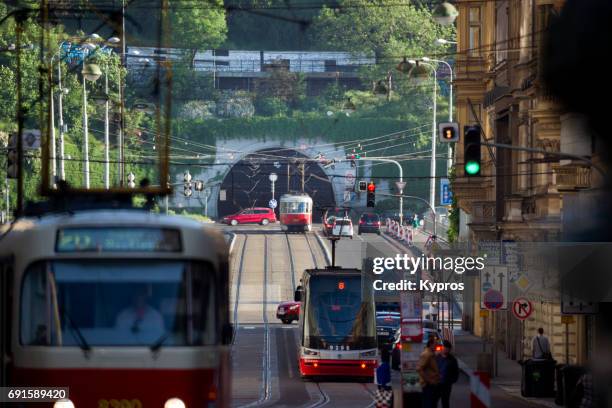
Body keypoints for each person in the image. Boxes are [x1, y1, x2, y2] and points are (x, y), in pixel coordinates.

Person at [417, 336, 440, 408]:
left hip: (432, 384)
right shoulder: (426, 354)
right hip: (428, 386)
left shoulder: (431, 354)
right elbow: (419, 369)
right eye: (435, 344)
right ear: (431, 344)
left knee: (432, 403)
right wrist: (428, 380)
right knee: (428, 404)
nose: (436, 345)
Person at [436, 340, 459, 408]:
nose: (446, 350)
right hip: (437, 384)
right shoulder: (437, 357)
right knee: (434, 401)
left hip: (446, 385)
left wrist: (451, 381)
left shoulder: (452, 360)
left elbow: (456, 372)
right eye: (445, 348)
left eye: (448, 349)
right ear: (442, 348)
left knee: (445, 402)